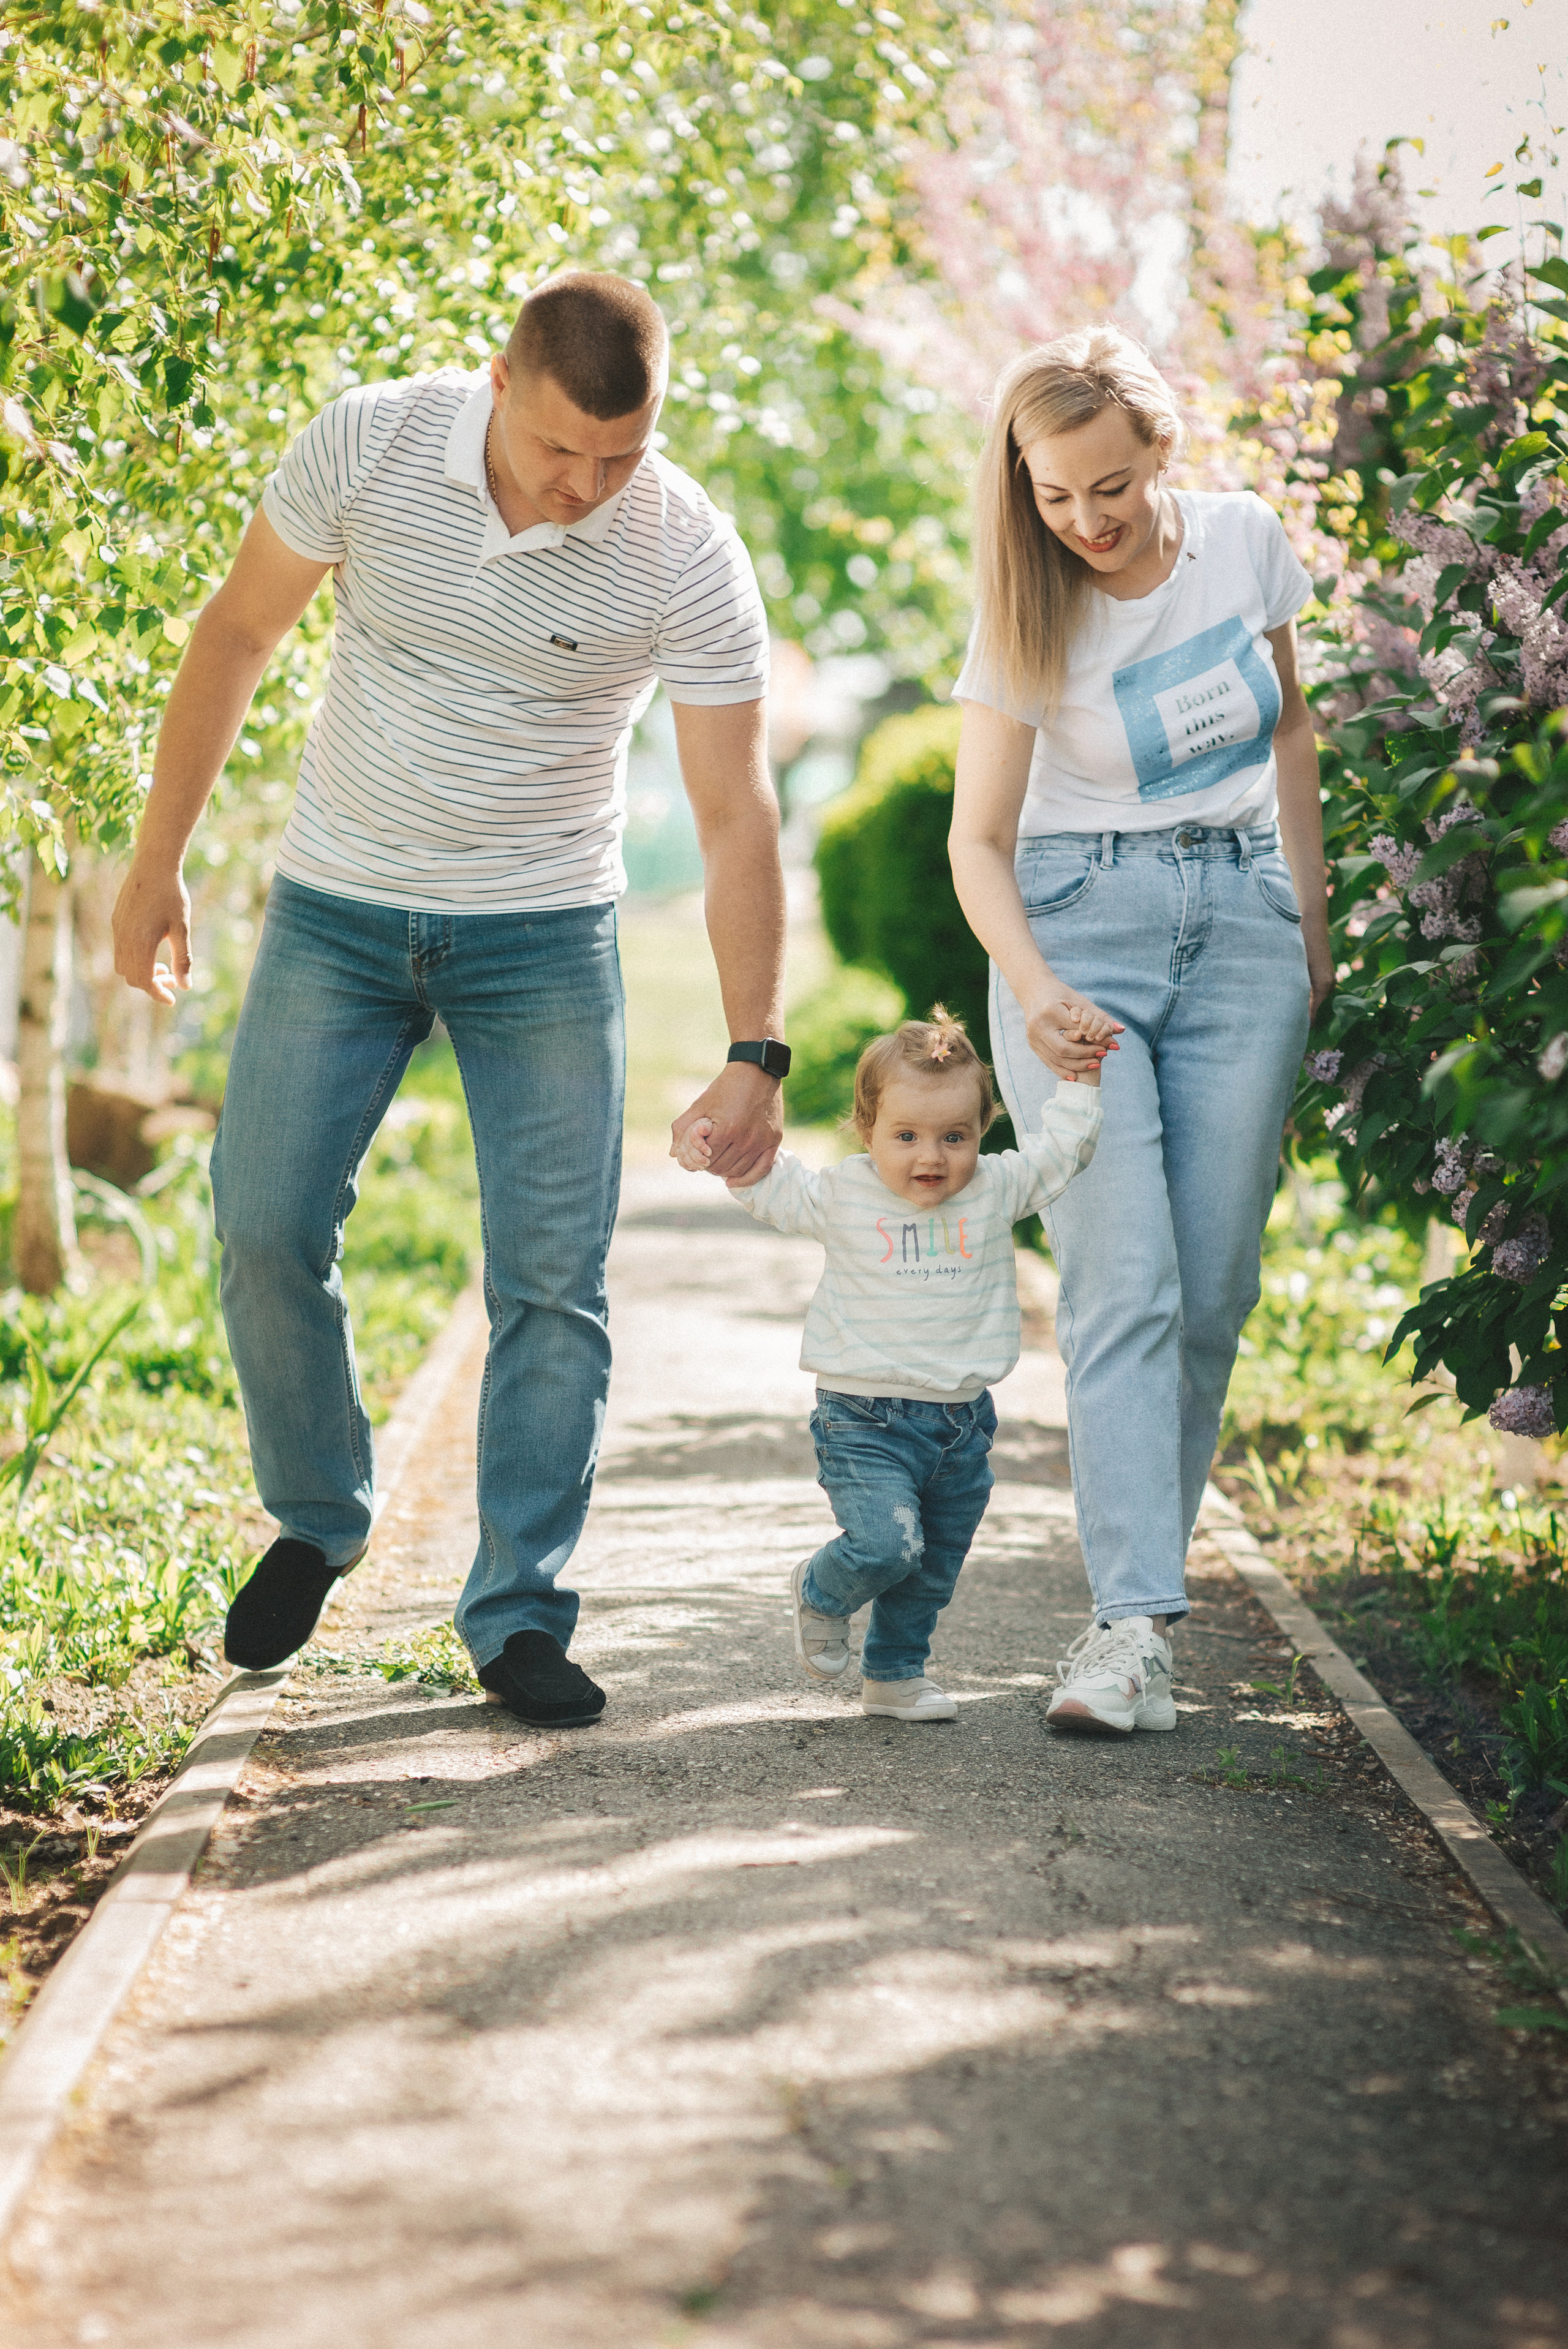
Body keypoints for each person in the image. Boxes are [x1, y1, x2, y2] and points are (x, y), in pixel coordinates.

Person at [111, 271, 788, 1729]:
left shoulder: (677, 541)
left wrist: (755, 1046)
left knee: (553, 1279)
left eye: (618, 454)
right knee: (265, 1214)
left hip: (542, 935)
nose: (585, 484)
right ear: (497, 378)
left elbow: (736, 809)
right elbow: (236, 635)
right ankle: (320, 1514)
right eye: (561, 449)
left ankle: (517, 1613)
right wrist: (154, 863)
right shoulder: (366, 445)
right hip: (337, 909)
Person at [948, 322, 1332, 1739]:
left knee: (1213, 1288)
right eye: (1052, 494)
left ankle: (1136, 1603)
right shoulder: (1021, 602)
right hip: (1073, 942)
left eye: (1106, 487)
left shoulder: (1239, 545)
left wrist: (1309, 913)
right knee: (1124, 1285)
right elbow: (975, 842)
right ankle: (1128, 1625)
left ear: (1158, 452)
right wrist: (1033, 985)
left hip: (1240, 927)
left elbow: (1286, 725)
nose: (1083, 520)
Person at [676, 1008, 1101, 1720]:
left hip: (962, 1426)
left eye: (953, 1137)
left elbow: (1064, 1149)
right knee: (885, 1545)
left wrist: (1080, 1078)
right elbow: (770, 1188)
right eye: (905, 1136)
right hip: (864, 1419)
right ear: (866, 1129)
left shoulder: (994, 1190)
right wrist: (717, 1145)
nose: (930, 1157)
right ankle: (820, 1589)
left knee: (930, 1569)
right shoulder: (847, 1193)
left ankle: (895, 1675)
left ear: (982, 1130)